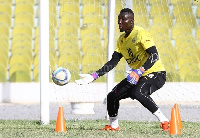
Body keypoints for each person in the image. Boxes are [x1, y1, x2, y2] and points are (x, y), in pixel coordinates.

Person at [75, 8, 169, 131]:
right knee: (112, 96)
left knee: (138, 92)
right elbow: (113, 62)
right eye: (118, 19)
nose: (119, 22)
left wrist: (140, 70)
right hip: (138, 76)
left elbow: (155, 55)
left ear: (131, 21)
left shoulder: (141, 33)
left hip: (156, 73)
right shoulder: (121, 40)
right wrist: (94, 76)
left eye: (122, 19)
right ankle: (114, 126)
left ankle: (165, 121)